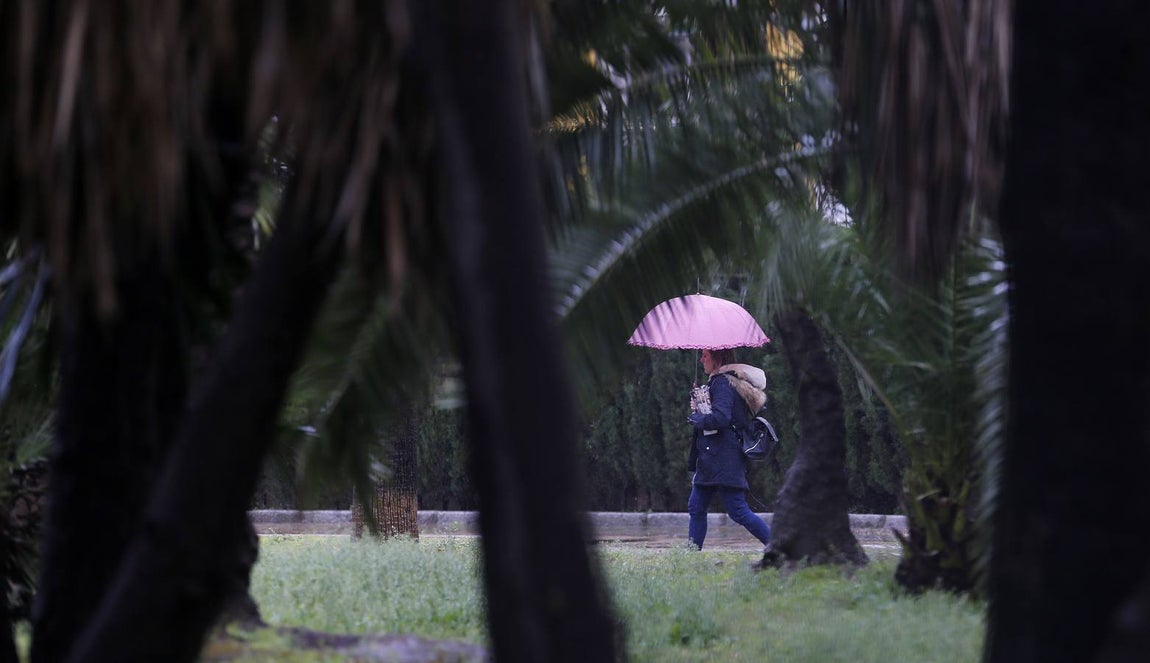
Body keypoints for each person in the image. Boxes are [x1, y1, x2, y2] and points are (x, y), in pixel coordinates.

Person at [685, 348, 772, 551]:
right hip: (712, 457)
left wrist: (697, 418)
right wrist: (700, 406)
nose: (701, 359)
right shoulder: (719, 382)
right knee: (696, 506)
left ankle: (778, 548)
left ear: (717, 358)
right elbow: (720, 413)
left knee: (738, 510)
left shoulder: (722, 383)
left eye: (705, 355)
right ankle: (689, 557)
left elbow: (721, 418)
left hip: (723, 458)